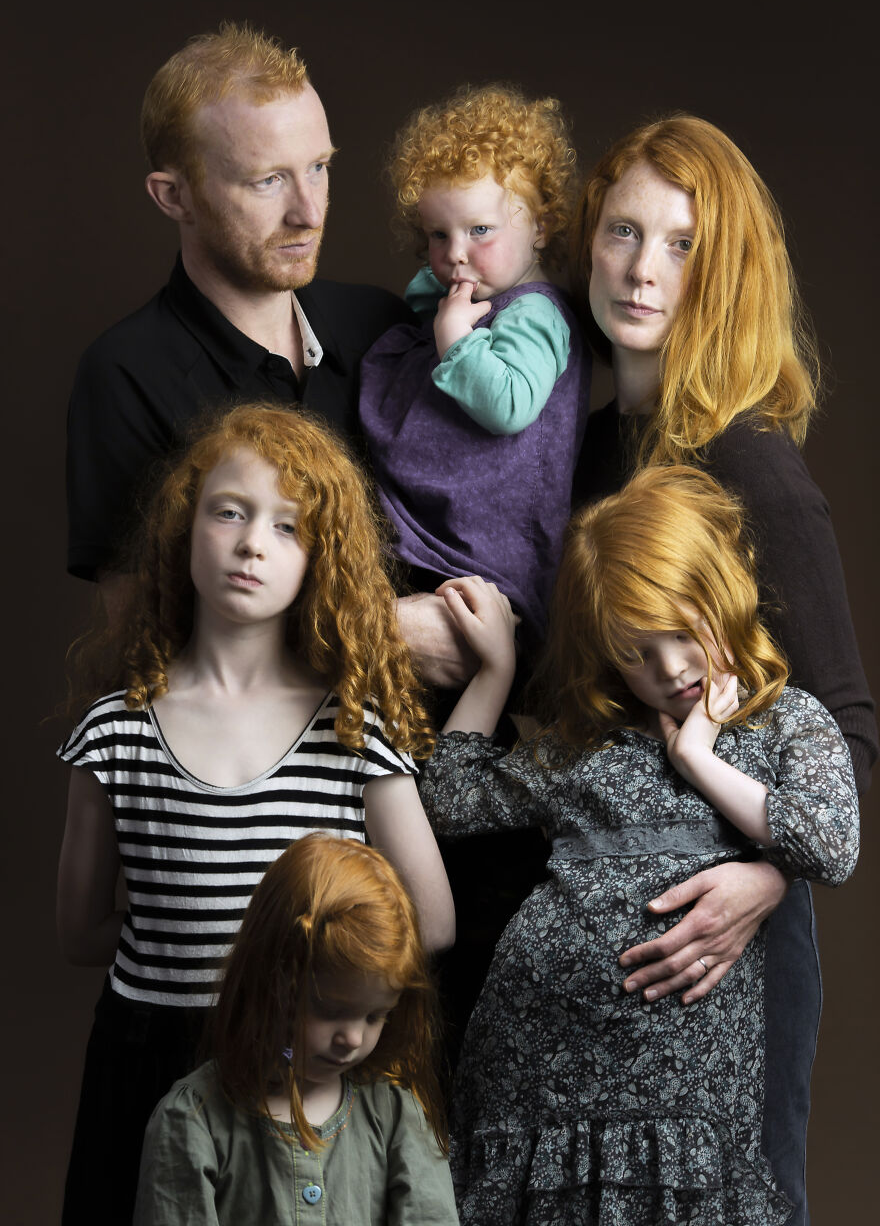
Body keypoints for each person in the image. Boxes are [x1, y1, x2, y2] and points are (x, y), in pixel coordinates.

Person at [568, 114, 877, 1222]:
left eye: (682, 244)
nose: (643, 270)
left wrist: (766, 878)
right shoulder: (585, 445)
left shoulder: (752, 464)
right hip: (614, 933)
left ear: (728, 268)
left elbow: (845, 723)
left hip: (730, 938)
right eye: (621, 232)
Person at [418, 467, 860, 1225]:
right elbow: (450, 799)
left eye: (683, 634)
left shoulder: (786, 723)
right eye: (636, 653)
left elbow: (830, 844)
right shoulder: (587, 743)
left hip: (682, 1105)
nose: (671, 670)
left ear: (720, 589)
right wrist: (495, 671)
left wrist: (699, 762)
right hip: (536, 1084)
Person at [56, 402, 455, 1225]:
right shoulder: (115, 733)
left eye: (287, 528)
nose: (250, 545)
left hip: (302, 1072)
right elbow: (82, 931)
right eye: (229, 513)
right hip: (153, 1058)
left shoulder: (353, 731)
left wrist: (312, 981)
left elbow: (431, 923)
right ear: (185, 525)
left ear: (321, 560)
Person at [65, 20, 468, 685]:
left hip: (450, 752)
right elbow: (140, 644)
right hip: (272, 780)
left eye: (319, 168)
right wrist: (382, 634)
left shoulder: (382, 323)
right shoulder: (124, 374)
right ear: (175, 196)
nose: (309, 212)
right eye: (265, 182)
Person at [359, 84, 590, 650]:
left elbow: (509, 404)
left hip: (483, 549)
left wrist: (454, 337)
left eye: (479, 230)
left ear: (538, 226)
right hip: (428, 532)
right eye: (439, 235)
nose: (456, 253)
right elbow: (426, 295)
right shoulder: (472, 289)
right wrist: (440, 309)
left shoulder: (536, 313)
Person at [133, 833, 459, 1225]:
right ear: (273, 978)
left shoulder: (395, 1115)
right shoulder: (192, 1120)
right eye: (328, 1009)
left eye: (375, 1016)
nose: (352, 1039)